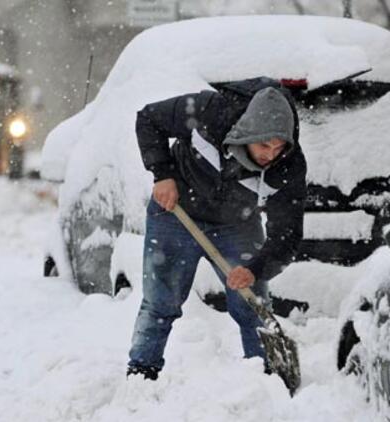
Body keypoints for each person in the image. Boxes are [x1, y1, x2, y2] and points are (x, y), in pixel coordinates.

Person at [127, 78, 307, 381]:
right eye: (264, 145)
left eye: (278, 148)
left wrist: (257, 268)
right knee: (161, 301)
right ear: (247, 132)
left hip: (237, 224)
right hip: (176, 211)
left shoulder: (287, 166)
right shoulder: (210, 111)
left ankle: (264, 379)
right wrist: (162, 174)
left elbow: (286, 235)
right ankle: (142, 374)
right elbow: (148, 118)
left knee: (251, 302)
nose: (270, 155)